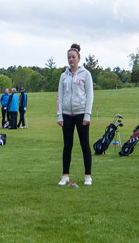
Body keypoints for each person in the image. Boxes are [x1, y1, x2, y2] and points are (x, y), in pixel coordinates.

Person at [57, 43, 93, 186]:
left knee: (85, 144)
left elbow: (90, 95)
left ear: (78, 58)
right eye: (69, 57)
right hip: (66, 114)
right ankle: (65, 175)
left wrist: (87, 115)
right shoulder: (63, 76)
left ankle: (88, 176)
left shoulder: (86, 74)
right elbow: (60, 95)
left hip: (81, 114)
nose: (71, 59)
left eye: (73, 57)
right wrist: (59, 115)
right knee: (67, 145)